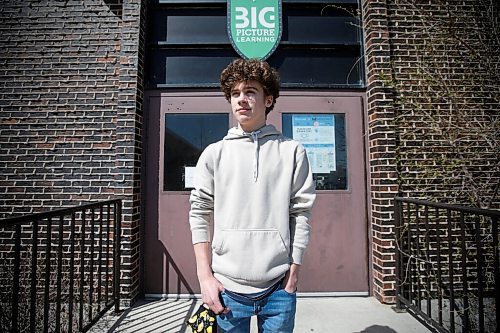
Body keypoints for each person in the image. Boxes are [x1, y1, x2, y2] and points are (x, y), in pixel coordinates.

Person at [189, 58, 316, 332]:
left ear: (268, 99)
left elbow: (301, 213)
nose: (241, 100)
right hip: (226, 290)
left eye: (250, 92)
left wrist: (293, 274)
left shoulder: (292, 152)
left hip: (278, 288)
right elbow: (198, 213)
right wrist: (205, 278)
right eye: (235, 94)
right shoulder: (214, 154)